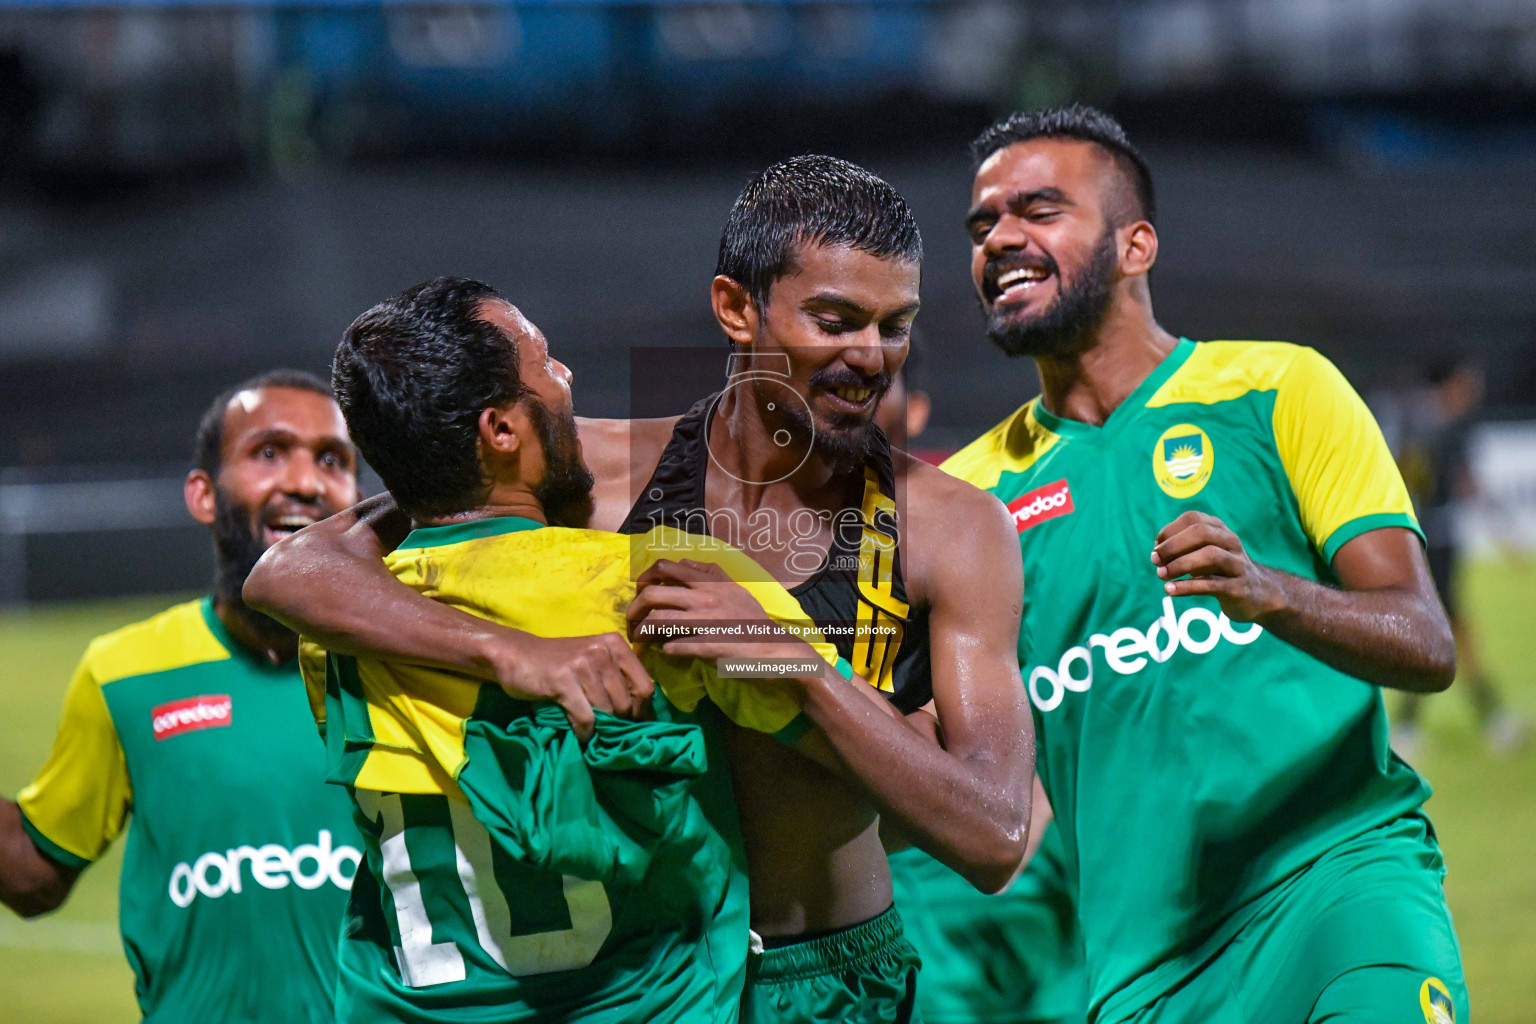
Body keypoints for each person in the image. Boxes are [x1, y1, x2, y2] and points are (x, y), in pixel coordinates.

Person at [246, 155, 1037, 1023]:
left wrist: (795, 669)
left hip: (827, 977)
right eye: (835, 320)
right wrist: (516, 654)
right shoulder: (593, 479)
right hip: (644, 982)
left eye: (894, 326)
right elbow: (295, 569)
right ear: (736, 308)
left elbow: (994, 835)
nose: (870, 358)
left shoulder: (957, 530)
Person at [949, 106, 1466, 1024]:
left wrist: (1270, 593)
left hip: (1337, 887)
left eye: (1038, 210)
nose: (1001, 240)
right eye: (983, 224)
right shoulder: (966, 501)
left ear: (1135, 244)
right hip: (1143, 969)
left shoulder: (1280, 390)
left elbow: (1425, 641)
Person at [309, 276, 858, 1022]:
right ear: (501, 431)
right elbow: (858, 750)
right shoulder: (657, 582)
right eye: (546, 362)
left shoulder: (341, 627)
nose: (567, 378)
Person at [0, 371, 365, 1023]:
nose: (307, 482)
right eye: (270, 452)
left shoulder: (410, 661)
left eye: (332, 460)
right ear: (203, 494)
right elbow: (33, 873)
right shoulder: (125, 672)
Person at [879, 367, 1088, 1024]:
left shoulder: (970, 525)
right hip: (895, 868)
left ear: (915, 410)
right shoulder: (758, 539)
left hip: (1009, 852)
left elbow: (1047, 674)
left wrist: (1042, 814)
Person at [1392, 357, 1528, 757]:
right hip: (1438, 539)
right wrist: (1505, 530)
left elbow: (1403, 474)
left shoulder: (1415, 421)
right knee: (1451, 629)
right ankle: (1487, 718)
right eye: (1468, 384)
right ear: (1451, 385)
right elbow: (1463, 482)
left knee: (1446, 627)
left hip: (1427, 536)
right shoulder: (1445, 427)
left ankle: (1413, 724)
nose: (1473, 393)